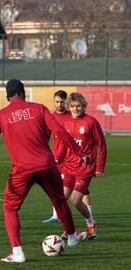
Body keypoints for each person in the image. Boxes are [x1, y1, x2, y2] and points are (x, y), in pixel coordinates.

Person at [0, 79, 90, 263]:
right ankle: (72, 237)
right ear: (23, 92)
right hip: (47, 165)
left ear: (7, 95)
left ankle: (18, 253)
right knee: (59, 200)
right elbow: (60, 131)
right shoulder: (39, 108)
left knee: (10, 207)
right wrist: (80, 152)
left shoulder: (0, 115)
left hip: (22, 170)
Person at [55, 92, 107, 240]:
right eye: (72, 106)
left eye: (78, 106)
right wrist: (57, 160)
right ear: (68, 107)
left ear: (83, 106)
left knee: (76, 200)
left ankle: (90, 222)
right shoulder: (65, 123)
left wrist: (100, 167)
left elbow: (102, 145)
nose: (75, 109)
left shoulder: (91, 122)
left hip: (85, 168)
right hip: (68, 167)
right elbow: (63, 145)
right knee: (60, 200)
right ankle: (70, 230)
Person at [43, 90, 93, 223]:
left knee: (81, 190)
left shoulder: (70, 116)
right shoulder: (51, 117)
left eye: (62, 102)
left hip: (76, 160)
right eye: (57, 101)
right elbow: (46, 137)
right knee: (59, 188)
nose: (59, 104)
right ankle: (56, 215)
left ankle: (89, 217)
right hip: (60, 157)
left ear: (66, 102)